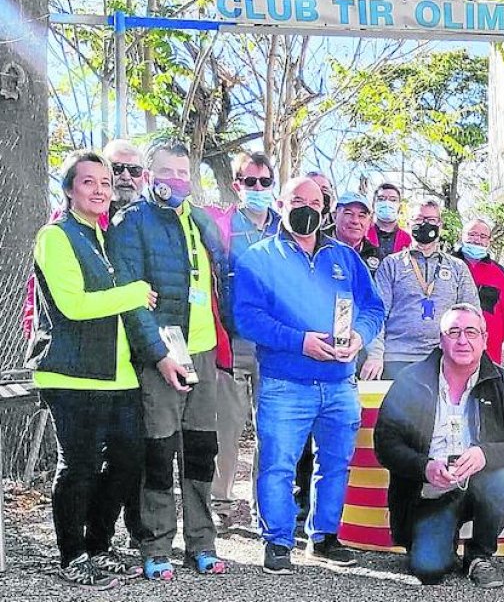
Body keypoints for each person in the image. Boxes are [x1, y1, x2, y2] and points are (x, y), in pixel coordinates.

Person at [234, 177, 385, 575]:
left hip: (340, 383)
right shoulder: (258, 257)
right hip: (285, 383)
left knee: (336, 464)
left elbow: (373, 308)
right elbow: (247, 318)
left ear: (325, 209)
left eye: (315, 203)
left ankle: (324, 537)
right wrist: (299, 342)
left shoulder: (345, 257)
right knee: (278, 465)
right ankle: (278, 541)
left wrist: (360, 336)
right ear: (281, 203)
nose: (306, 209)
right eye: (297, 200)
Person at [27, 153, 158, 589]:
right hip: (70, 373)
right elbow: (74, 305)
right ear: (69, 190)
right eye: (89, 182)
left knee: (128, 462)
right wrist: (133, 293)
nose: (100, 189)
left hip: (118, 374)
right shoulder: (55, 236)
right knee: (79, 466)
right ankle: (73, 555)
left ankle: (100, 545)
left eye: (105, 182)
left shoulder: (103, 237)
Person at [107, 140, 233, 580]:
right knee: (159, 452)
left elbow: (222, 278)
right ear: (148, 175)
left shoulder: (200, 220)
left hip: (204, 351)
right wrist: (158, 355)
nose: (175, 180)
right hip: (161, 355)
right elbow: (130, 300)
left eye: (182, 172)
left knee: (200, 452)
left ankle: (202, 542)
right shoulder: (130, 222)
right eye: (165, 172)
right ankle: (156, 544)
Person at [373, 304, 504, 588]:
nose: (463, 340)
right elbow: (385, 443)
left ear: (485, 340)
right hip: (427, 494)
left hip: (480, 486)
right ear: (441, 339)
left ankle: (479, 555)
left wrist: (485, 454)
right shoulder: (410, 381)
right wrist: (424, 467)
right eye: (454, 332)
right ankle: (442, 536)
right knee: (429, 570)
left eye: (471, 332)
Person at [205, 152, 282, 533]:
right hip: (232, 341)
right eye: (250, 182)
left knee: (271, 431)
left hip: (275, 348)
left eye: (264, 182)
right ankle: (219, 506)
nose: (257, 188)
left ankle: (264, 507)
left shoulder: (285, 227)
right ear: (237, 185)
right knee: (228, 429)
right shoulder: (221, 227)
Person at [362, 199, 479, 380]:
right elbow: (377, 313)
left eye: (431, 220)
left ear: (440, 225)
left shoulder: (457, 267)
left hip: (443, 359)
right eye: (419, 219)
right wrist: (375, 355)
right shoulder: (391, 264)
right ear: (409, 224)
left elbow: (472, 316)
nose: (425, 224)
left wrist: (471, 357)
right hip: (397, 358)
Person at [452, 218, 504, 365]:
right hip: (450, 351)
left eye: (483, 236)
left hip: (489, 352)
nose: (477, 240)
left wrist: (491, 337)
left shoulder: (501, 274)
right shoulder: (446, 266)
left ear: (489, 241)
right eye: (472, 234)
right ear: (462, 236)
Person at [333, 192, 385, 273]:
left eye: (362, 216)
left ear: (369, 222)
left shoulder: (376, 255)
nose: (355, 221)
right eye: (348, 213)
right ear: (335, 216)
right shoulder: (317, 246)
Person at [365, 182, 413, 254]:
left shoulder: (407, 239)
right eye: (381, 199)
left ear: (399, 207)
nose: (387, 203)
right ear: (373, 205)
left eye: (393, 200)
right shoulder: (364, 234)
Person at [303, 171, 337, 239]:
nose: (319, 194)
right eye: (314, 188)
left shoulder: (340, 228)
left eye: (324, 190)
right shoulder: (290, 223)